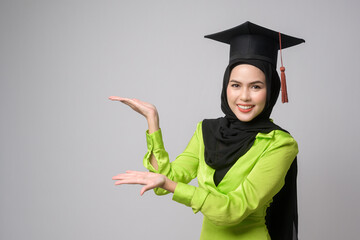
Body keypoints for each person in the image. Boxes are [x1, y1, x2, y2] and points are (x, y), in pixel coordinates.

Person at [110, 21, 304, 240]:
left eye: (256, 86)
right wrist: (152, 120)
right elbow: (164, 181)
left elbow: (234, 209)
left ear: (271, 90)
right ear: (225, 86)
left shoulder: (280, 144)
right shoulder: (206, 130)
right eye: (236, 85)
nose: (244, 96)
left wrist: (171, 185)